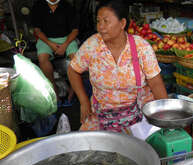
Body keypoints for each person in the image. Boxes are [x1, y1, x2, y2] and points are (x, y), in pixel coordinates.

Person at [68, 0, 168, 133]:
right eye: (98, 21)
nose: (100, 27)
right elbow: (73, 70)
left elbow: (156, 83)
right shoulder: (92, 45)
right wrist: (84, 102)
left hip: (138, 118)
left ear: (122, 23)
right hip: (101, 115)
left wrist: (165, 117)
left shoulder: (141, 47)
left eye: (106, 21)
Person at [31, 0, 79, 101]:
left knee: (76, 59)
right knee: (42, 58)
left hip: (67, 38)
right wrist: (50, 44)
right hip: (46, 39)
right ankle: (54, 89)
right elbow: (37, 30)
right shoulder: (38, 6)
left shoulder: (67, 6)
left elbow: (75, 30)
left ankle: (73, 89)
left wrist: (65, 45)